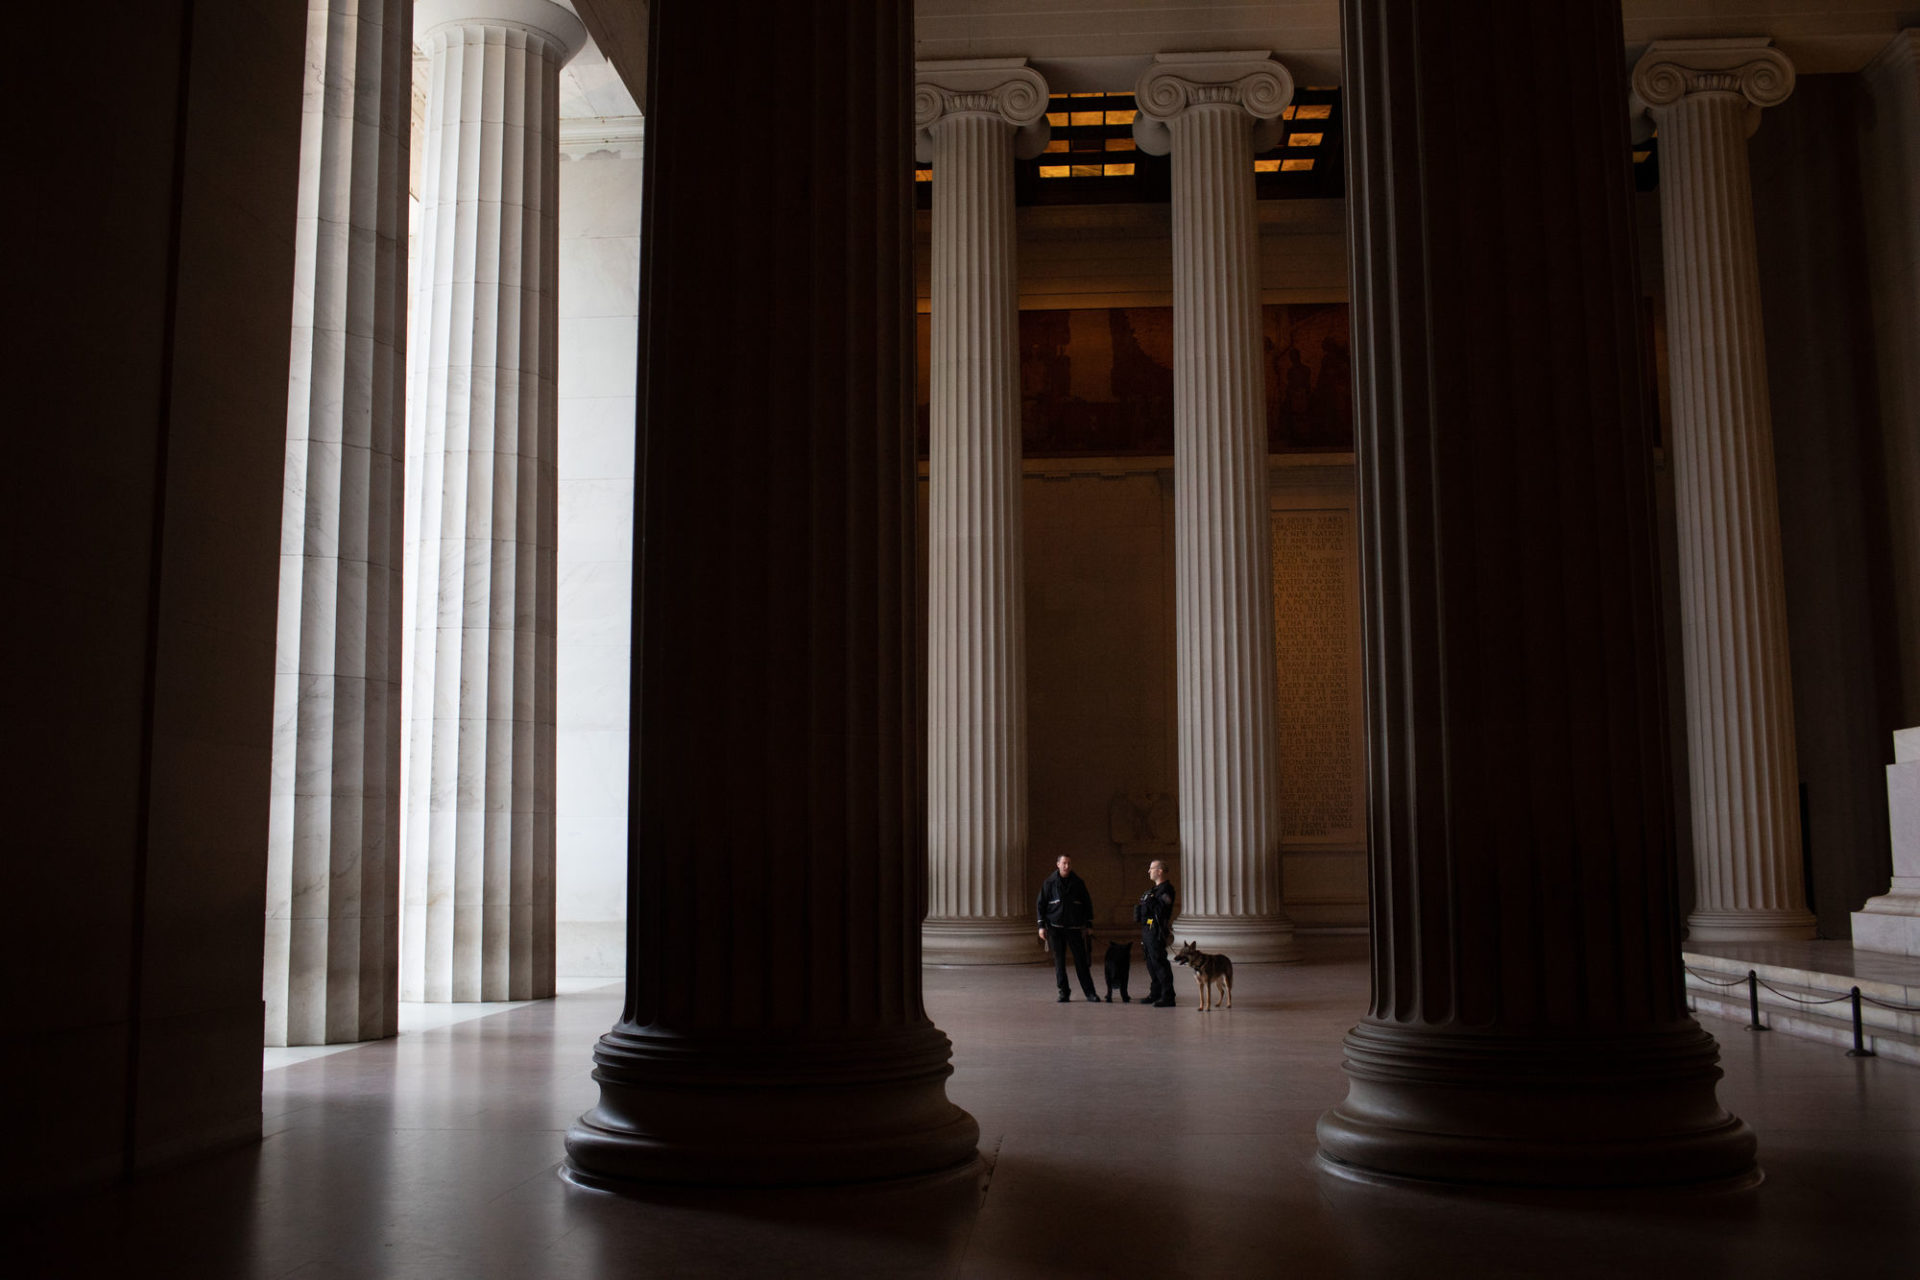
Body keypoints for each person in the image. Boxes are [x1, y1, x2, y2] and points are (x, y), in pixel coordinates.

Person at [1036, 854, 1100, 1002]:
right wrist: (1041, 926)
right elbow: (1041, 905)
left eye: (1069, 863)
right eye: (1064, 863)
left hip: (1074, 928)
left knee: (1081, 962)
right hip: (1055, 928)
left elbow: (1087, 904)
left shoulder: (1078, 883)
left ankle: (1090, 993)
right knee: (1059, 962)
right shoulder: (1049, 883)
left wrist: (1089, 924)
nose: (1067, 866)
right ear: (1057, 864)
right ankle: (1063, 992)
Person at [1135, 859, 1177, 1006]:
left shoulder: (1167, 890)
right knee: (1151, 964)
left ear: (1159, 871)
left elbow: (1160, 911)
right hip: (1148, 930)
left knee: (1160, 963)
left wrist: (1151, 902)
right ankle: (1156, 993)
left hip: (1157, 931)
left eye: (1151, 868)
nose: (1149, 871)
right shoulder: (1153, 891)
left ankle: (1168, 996)